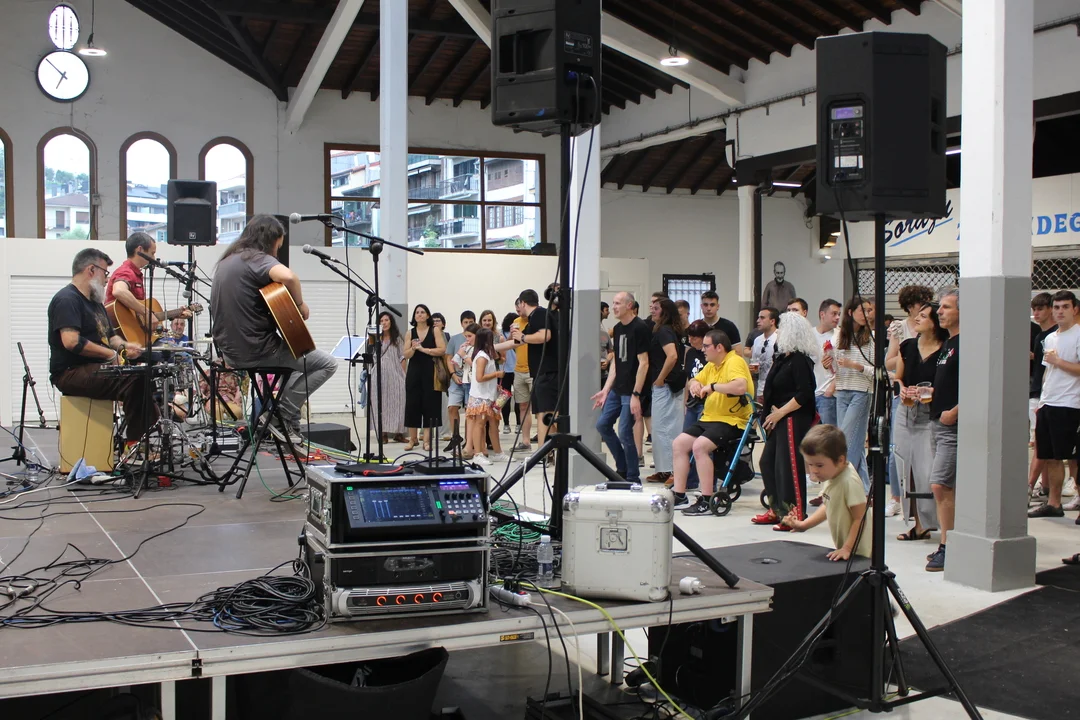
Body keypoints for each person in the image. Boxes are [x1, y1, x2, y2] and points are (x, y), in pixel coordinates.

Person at [210, 215, 337, 446]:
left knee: (297, 368)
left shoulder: (228, 260)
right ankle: (280, 416)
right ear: (269, 240)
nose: (277, 252)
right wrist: (300, 304)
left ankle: (288, 424)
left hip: (232, 352)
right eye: (278, 246)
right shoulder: (256, 258)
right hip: (257, 350)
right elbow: (289, 277)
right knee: (327, 364)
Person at [49, 249, 156, 446]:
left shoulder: (96, 304)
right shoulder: (67, 300)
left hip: (93, 369)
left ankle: (142, 437)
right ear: (91, 270)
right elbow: (71, 341)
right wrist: (110, 354)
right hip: (70, 372)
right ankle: (135, 444)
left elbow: (111, 338)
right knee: (135, 380)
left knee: (143, 374)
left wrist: (126, 346)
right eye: (105, 273)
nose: (107, 279)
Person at [671, 330, 754, 515]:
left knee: (699, 447)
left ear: (719, 347)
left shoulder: (734, 361)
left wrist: (713, 387)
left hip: (732, 420)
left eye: (706, 346)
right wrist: (694, 383)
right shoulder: (712, 365)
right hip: (709, 418)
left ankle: (707, 500)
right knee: (679, 444)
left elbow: (740, 386)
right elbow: (695, 379)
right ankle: (679, 495)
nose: (703, 349)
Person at [754, 311, 819, 528]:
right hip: (779, 417)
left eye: (782, 328)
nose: (779, 332)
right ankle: (777, 509)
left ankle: (794, 514)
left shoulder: (800, 360)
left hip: (793, 417)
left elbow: (805, 393)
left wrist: (780, 412)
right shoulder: (783, 358)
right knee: (767, 462)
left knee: (788, 465)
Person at [893, 302, 947, 543]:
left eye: (923, 316)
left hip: (929, 415)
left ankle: (934, 522)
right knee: (905, 469)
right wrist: (902, 389)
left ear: (934, 323)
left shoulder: (945, 350)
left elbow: (948, 385)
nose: (917, 318)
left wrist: (931, 393)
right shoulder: (907, 346)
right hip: (905, 412)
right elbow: (898, 378)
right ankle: (917, 523)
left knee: (927, 471)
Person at [780, 424, 873, 561]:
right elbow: (828, 503)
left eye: (819, 465)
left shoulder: (849, 482)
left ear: (840, 460)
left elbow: (860, 517)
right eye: (810, 464)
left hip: (860, 553)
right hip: (847, 549)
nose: (814, 470)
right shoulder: (831, 473)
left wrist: (847, 548)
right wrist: (804, 525)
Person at [883, 285, 935, 516]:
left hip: (926, 396)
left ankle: (923, 504)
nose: (921, 309)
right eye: (918, 304)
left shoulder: (935, 331)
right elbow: (889, 362)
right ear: (909, 306)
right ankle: (896, 497)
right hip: (904, 393)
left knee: (925, 452)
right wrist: (908, 355)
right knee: (897, 449)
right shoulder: (901, 329)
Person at [1029, 290, 1080, 521]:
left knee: (1073, 457)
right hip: (1049, 401)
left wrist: (1059, 361)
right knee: (1050, 456)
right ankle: (1053, 502)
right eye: (1057, 307)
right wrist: (1042, 401)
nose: (1060, 311)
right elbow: (1047, 372)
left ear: (1074, 309)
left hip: (1070, 404)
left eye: (1065, 307)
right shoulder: (1050, 338)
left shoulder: (1077, 335)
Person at [591, 292, 649, 482]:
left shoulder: (640, 327)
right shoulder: (617, 328)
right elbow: (616, 361)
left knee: (624, 431)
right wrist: (606, 389)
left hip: (632, 390)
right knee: (602, 425)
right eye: (613, 303)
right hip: (618, 388)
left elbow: (644, 363)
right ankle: (622, 468)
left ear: (629, 305)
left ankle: (632, 476)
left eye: (617, 303)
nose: (614, 307)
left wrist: (636, 394)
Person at [106, 232, 194, 344]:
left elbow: (138, 317)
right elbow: (119, 291)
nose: (153, 258)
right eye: (152, 253)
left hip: (135, 337)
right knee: (174, 350)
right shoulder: (126, 272)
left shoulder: (135, 274)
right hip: (120, 337)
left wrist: (175, 314)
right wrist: (147, 312)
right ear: (140, 250)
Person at [926, 288, 960, 572]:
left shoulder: (967, 343)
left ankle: (949, 546)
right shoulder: (948, 343)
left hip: (952, 425)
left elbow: (977, 384)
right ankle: (947, 541)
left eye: (946, 307)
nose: (940, 312)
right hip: (937, 421)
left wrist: (956, 411)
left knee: (940, 484)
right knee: (944, 486)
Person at [826, 296, 875, 491]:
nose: (867, 315)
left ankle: (842, 486)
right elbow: (835, 369)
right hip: (842, 391)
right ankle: (863, 489)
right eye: (863, 310)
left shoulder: (871, 338)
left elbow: (877, 371)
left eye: (869, 311)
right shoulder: (840, 337)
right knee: (854, 442)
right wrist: (828, 365)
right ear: (850, 312)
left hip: (861, 391)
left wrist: (855, 365)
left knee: (846, 440)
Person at [644, 297, 685, 483]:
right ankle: (663, 469)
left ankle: (671, 470)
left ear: (665, 312)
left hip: (666, 385)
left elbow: (672, 356)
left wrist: (660, 378)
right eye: (652, 307)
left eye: (656, 308)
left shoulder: (664, 331)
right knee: (661, 428)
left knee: (665, 429)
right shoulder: (665, 330)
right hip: (667, 385)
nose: (652, 310)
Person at [513, 289, 559, 449]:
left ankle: (543, 451)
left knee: (547, 414)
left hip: (548, 373)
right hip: (542, 374)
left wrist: (523, 337)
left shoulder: (539, 314)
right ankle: (547, 451)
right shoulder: (534, 319)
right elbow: (518, 341)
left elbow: (544, 336)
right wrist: (490, 348)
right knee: (544, 414)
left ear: (523, 303)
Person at [403, 304, 446, 451]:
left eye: (422, 312)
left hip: (430, 371)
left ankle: (426, 440)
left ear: (428, 315)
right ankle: (412, 439)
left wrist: (424, 349)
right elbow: (406, 354)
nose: (420, 314)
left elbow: (442, 350)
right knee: (412, 404)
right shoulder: (410, 333)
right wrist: (413, 348)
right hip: (414, 371)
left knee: (430, 404)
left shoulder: (434, 330)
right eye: (417, 312)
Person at [466, 327, 507, 465]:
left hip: (489, 395)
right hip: (480, 396)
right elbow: (479, 378)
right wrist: (497, 374)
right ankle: (477, 453)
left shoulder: (488, 356)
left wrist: (494, 385)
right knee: (480, 424)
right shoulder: (482, 357)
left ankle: (498, 452)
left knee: (493, 423)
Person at [680, 320, 710, 490]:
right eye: (689, 337)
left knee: (703, 444)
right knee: (687, 441)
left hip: (706, 403)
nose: (691, 341)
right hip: (692, 402)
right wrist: (685, 402)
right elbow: (688, 379)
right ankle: (690, 480)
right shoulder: (690, 353)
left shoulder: (710, 354)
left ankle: (707, 483)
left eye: (694, 338)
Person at [445, 310, 477, 451]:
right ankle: (455, 436)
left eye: (471, 322)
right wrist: (452, 374)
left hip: (471, 380)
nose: (468, 324)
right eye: (465, 322)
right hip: (456, 378)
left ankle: (469, 440)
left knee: (469, 411)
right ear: (461, 323)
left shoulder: (478, 339)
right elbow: (448, 358)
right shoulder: (454, 339)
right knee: (452, 407)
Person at [376, 311, 407, 444]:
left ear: (391, 322)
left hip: (396, 374)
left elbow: (402, 357)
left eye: (386, 320)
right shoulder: (375, 338)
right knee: (382, 403)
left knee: (399, 402)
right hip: (379, 375)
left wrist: (403, 375)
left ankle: (399, 433)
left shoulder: (397, 339)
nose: (384, 323)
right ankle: (383, 433)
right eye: (381, 321)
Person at [814, 299, 842, 427]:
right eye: (834, 314)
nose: (837, 318)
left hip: (828, 394)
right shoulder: (810, 334)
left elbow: (843, 366)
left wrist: (830, 389)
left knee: (828, 434)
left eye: (839, 314)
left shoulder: (840, 336)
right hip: (810, 393)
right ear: (822, 314)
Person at [746, 307, 779, 402]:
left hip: (776, 389)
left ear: (772, 321)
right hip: (760, 388)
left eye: (762, 318)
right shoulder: (757, 340)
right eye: (758, 317)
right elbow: (755, 362)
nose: (758, 321)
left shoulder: (779, 337)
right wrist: (752, 369)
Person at [500, 312, 521, 436]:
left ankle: (518, 423)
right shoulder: (502, 334)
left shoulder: (520, 334)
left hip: (517, 370)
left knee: (519, 399)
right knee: (504, 398)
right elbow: (504, 347)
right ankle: (506, 424)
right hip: (505, 370)